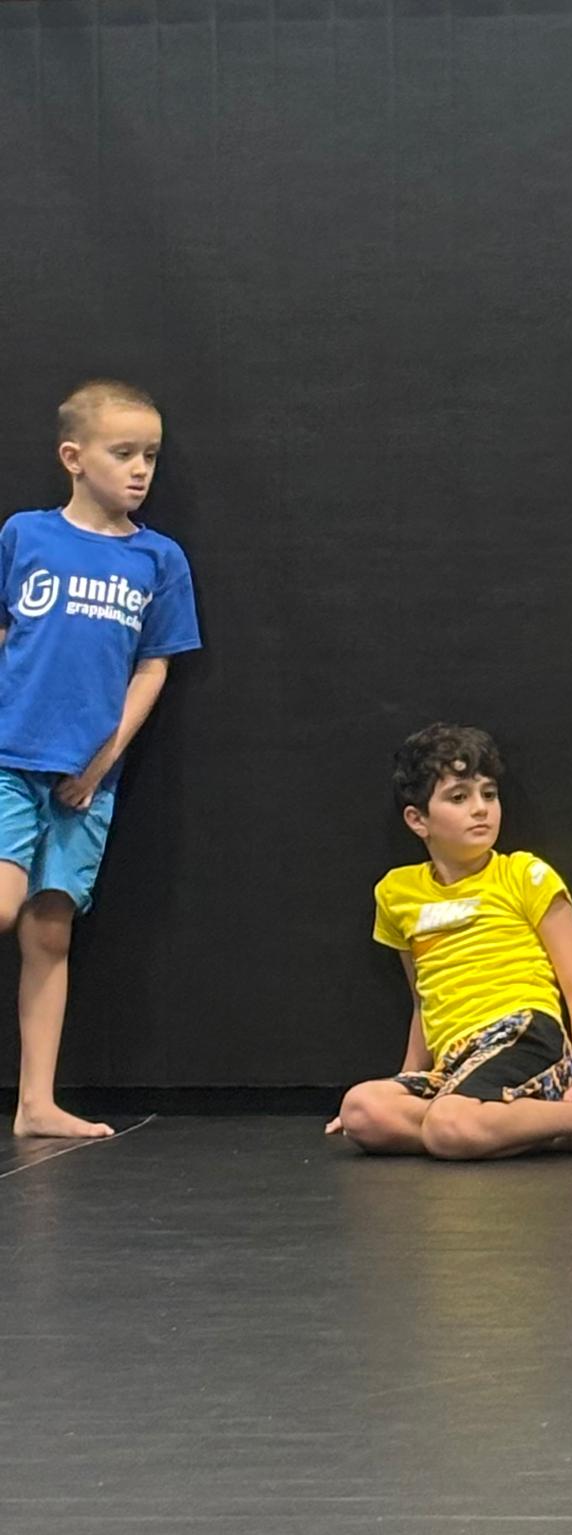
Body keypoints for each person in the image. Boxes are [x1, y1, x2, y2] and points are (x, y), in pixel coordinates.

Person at [0, 380, 201, 1139]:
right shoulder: (25, 535)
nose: (141, 468)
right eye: (124, 453)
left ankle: (35, 1101)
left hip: (90, 778)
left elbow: (155, 665)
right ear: (74, 458)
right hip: (13, 756)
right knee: (2, 902)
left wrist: (104, 756)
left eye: (150, 454)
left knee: (50, 931)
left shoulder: (158, 558)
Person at [327, 724, 572, 1159]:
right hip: (455, 1061)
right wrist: (405, 1083)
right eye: (459, 797)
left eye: (489, 794)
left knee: (447, 1123)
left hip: (522, 1035)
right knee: (363, 1110)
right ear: (417, 819)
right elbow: (424, 999)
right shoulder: (395, 893)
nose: (481, 809)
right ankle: (513, 1127)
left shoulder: (524, 874)